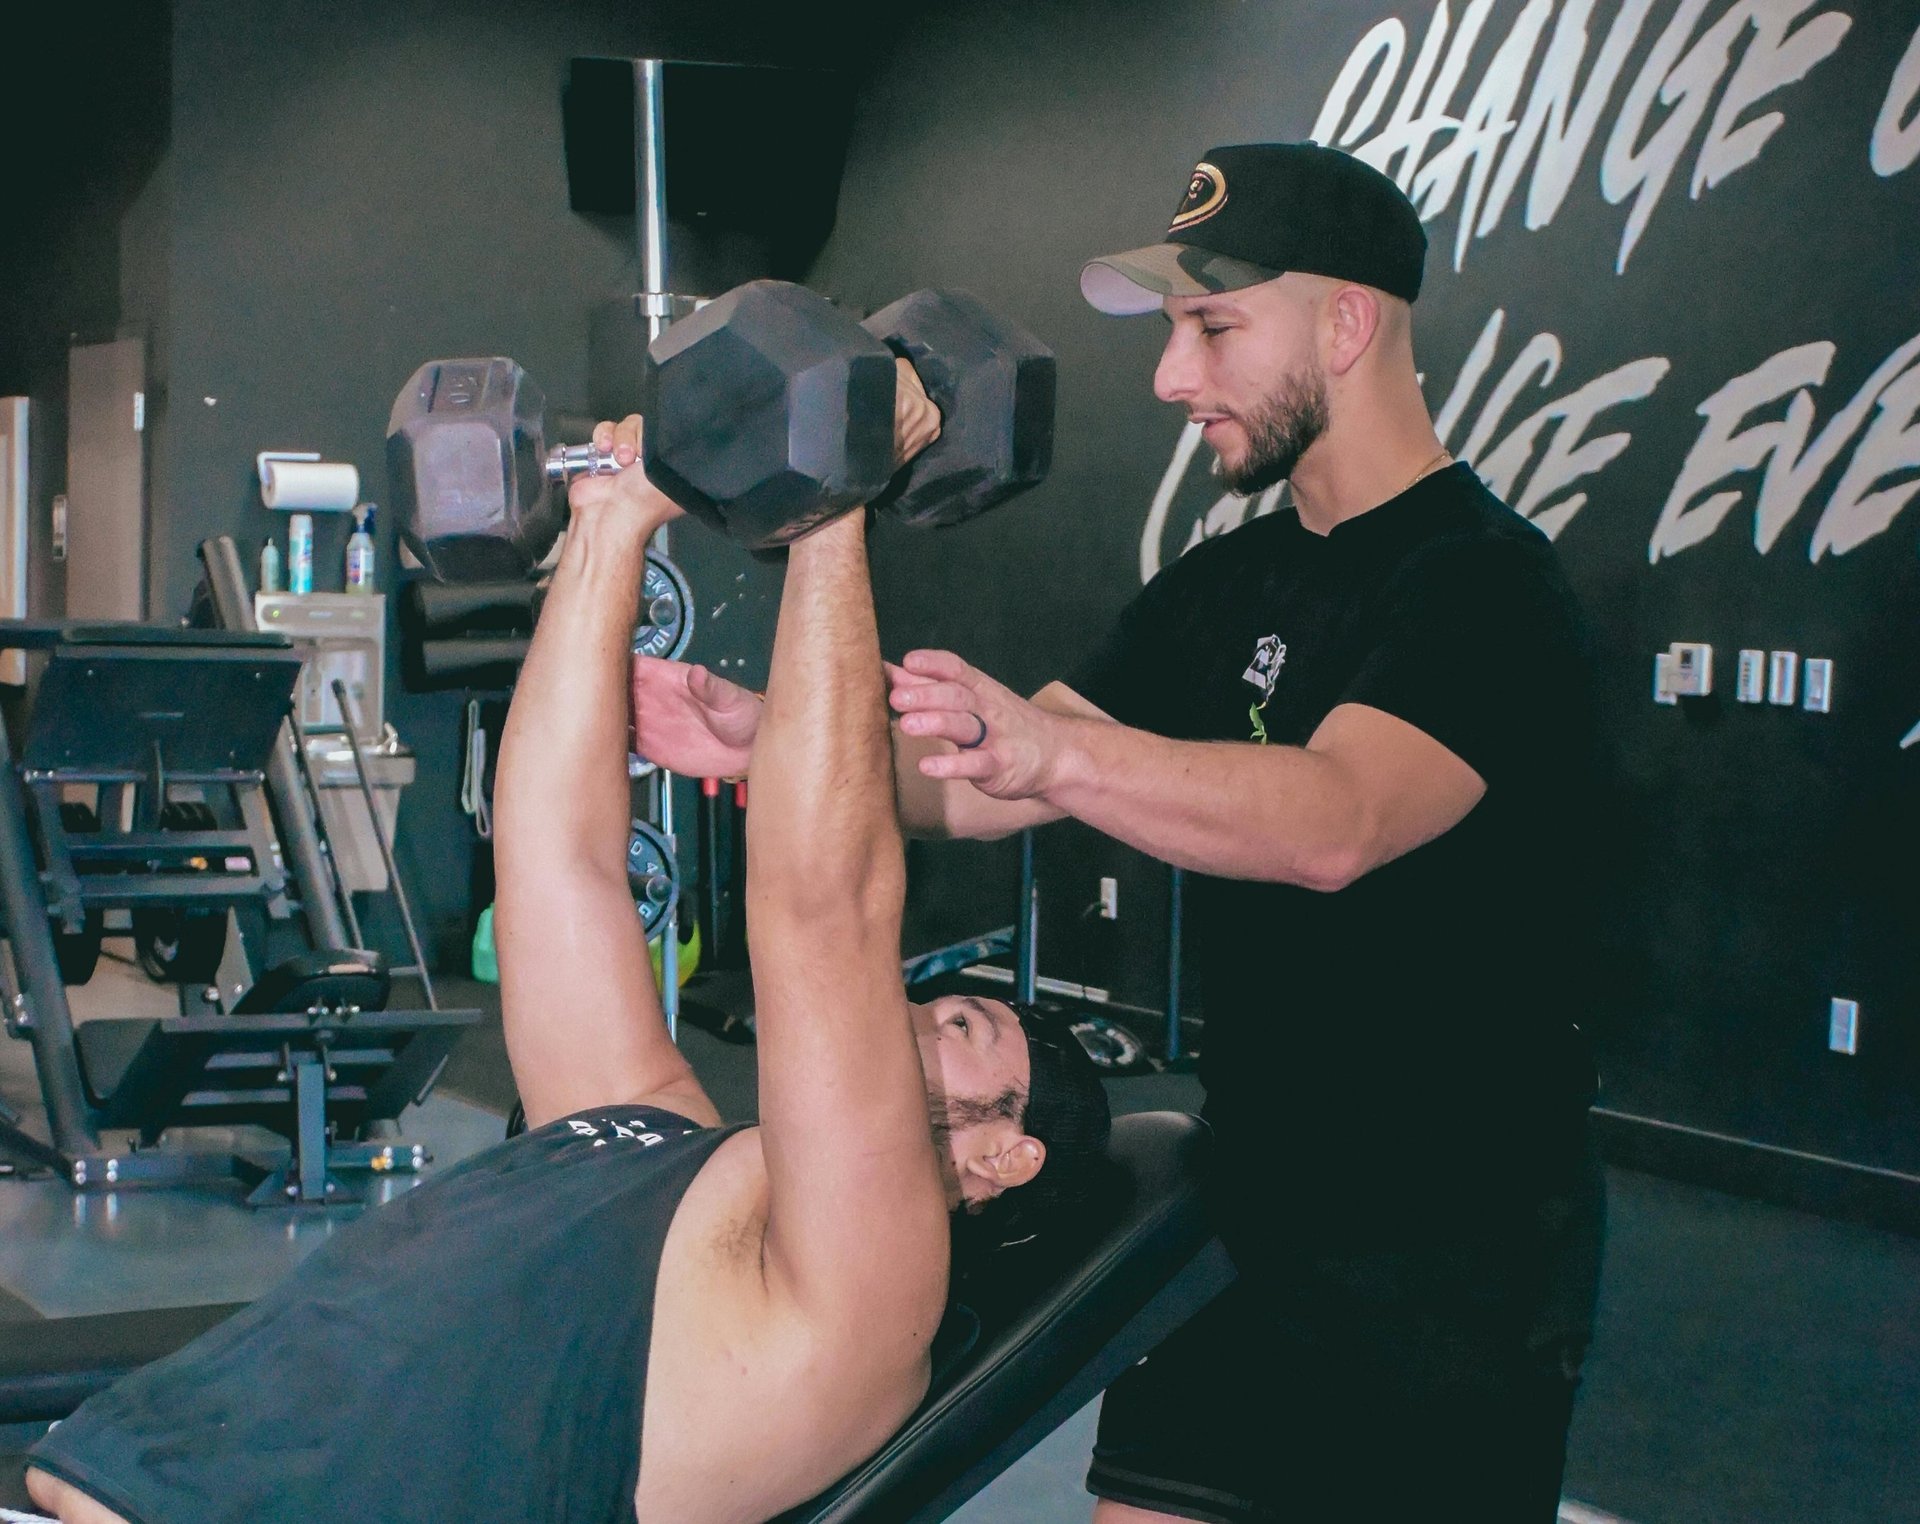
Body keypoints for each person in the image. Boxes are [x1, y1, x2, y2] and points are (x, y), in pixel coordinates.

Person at [627, 142, 1610, 1521]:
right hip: (1240, 1212)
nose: (1171, 377)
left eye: (1212, 327)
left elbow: (1339, 819)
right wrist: (772, 737)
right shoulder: (1225, 582)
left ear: (1344, 323)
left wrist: (1063, 750)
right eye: (1171, 331)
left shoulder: (1484, 590)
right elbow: (986, 777)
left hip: (1452, 1255)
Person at [23, 372, 1113, 1524]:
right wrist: (610, 528)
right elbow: (556, 857)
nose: (911, 1015)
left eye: (964, 1027)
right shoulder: (647, 1128)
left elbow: (826, 909)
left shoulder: (861, 1304)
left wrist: (828, 512)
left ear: (1006, 1157)